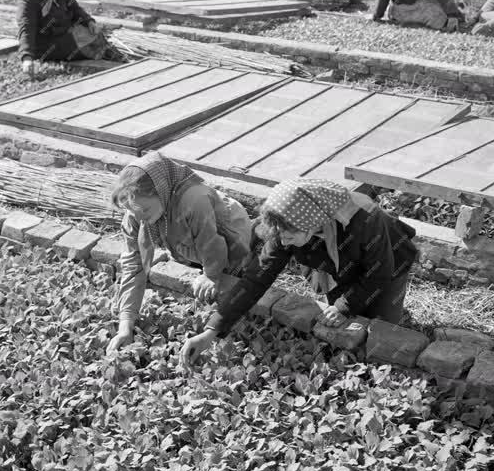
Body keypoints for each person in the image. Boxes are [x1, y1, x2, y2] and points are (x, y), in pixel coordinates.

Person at [180, 179, 418, 367]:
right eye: (279, 236)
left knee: (382, 330)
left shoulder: (364, 219)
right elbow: (255, 279)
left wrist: (345, 306)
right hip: (339, 265)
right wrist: (212, 330)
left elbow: (379, 273)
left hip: (388, 265)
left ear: (312, 223)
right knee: (342, 322)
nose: (283, 242)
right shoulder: (284, 226)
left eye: (289, 236)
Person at [106, 152, 253, 354]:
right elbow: (133, 265)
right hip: (188, 237)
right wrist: (125, 325)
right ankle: (197, 260)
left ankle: (237, 262)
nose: (140, 219)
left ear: (162, 190)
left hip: (229, 229)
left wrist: (211, 274)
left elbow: (213, 242)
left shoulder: (194, 200)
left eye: (145, 211)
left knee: (230, 277)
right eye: (134, 213)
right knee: (191, 252)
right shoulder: (138, 213)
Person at [16, 0, 112, 77]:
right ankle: (93, 52)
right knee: (83, 44)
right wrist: (27, 57)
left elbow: (74, 7)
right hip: (46, 41)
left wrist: (89, 21)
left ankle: (95, 50)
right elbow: (26, 27)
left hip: (65, 31)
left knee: (93, 32)